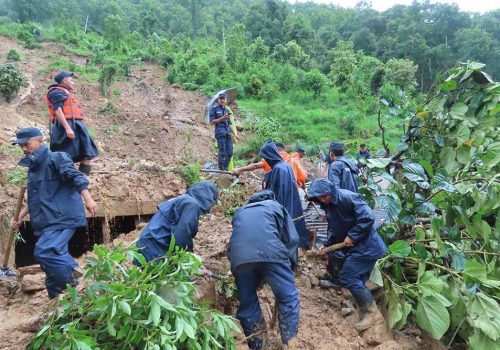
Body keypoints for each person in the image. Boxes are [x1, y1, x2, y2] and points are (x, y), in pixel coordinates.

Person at [11, 127, 98, 299]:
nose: (24, 149)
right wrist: (20, 217)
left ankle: (74, 275)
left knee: (46, 251)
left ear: (41, 140)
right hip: (44, 222)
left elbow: (76, 177)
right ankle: (58, 305)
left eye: (27, 144)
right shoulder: (33, 169)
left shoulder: (57, 158)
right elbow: (35, 198)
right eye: (21, 146)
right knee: (50, 268)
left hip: (61, 217)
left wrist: (88, 199)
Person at [307, 178, 387, 331]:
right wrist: (328, 244)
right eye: (320, 198)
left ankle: (372, 315)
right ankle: (362, 306)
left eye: (325, 195)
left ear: (331, 191)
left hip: (368, 247)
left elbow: (368, 217)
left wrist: (352, 235)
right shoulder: (328, 206)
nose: (323, 199)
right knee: (357, 280)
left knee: (348, 276)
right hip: (359, 248)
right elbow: (334, 228)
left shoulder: (347, 198)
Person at [228, 190, 300, 350]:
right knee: (288, 298)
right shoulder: (276, 206)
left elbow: (237, 239)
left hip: (239, 257)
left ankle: (258, 345)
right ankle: (289, 343)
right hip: (272, 252)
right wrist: (289, 266)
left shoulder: (240, 212)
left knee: (248, 303)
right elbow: (292, 239)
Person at [136, 181, 218, 263]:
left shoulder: (183, 199)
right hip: (154, 248)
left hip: (147, 244)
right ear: (208, 197)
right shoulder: (192, 204)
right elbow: (182, 234)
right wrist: (189, 258)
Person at [46, 71, 99, 175]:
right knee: (64, 156)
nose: (73, 83)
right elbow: (58, 111)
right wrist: (67, 128)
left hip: (77, 125)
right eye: (71, 80)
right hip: (65, 126)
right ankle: (66, 183)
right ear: (65, 81)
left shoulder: (66, 92)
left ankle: (82, 180)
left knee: (88, 153)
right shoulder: (56, 92)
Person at [259, 141, 309, 249]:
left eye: (266, 157)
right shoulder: (284, 165)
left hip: (283, 205)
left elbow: (275, 193)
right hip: (290, 202)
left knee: (285, 234)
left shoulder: (278, 169)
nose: (265, 160)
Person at [233, 143, 307, 190]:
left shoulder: (270, 160)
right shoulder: (292, 160)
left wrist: (239, 169)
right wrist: (303, 186)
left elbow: (255, 166)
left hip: (275, 190)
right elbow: (302, 177)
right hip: (292, 191)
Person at [209, 93, 233, 171]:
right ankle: (222, 168)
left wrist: (235, 134)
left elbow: (229, 124)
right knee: (222, 151)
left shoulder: (227, 110)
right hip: (220, 132)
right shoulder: (214, 109)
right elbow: (212, 122)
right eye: (221, 99)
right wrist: (221, 119)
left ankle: (225, 168)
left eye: (224, 99)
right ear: (218, 100)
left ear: (226, 100)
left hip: (228, 133)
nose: (222, 100)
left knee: (230, 152)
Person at [226, 101, 239, 172]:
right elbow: (229, 125)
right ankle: (229, 169)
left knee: (230, 152)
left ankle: (230, 168)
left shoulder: (229, 112)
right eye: (234, 106)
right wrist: (234, 135)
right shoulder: (228, 111)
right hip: (229, 135)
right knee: (230, 152)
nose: (235, 108)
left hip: (231, 135)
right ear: (231, 105)